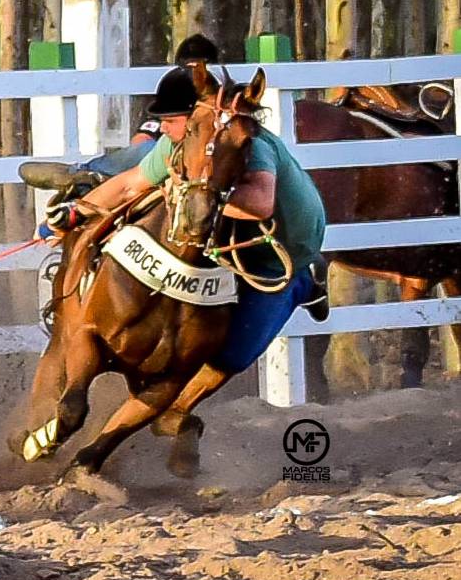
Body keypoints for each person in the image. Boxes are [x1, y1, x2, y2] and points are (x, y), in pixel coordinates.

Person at [45, 63, 329, 389]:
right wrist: (75, 215)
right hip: (232, 244)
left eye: (170, 121)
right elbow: (131, 184)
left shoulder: (249, 145)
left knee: (233, 355)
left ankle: (309, 281)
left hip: (281, 255)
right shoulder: (178, 144)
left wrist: (190, 191)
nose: (161, 129)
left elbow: (260, 205)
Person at [21, 33, 222, 188]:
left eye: (200, 69)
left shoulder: (224, 100)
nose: (196, 76)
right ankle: (83, 174)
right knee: (147, 149)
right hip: (170, 154)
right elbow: (143, 138)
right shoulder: (173, 97)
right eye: (190, 68)